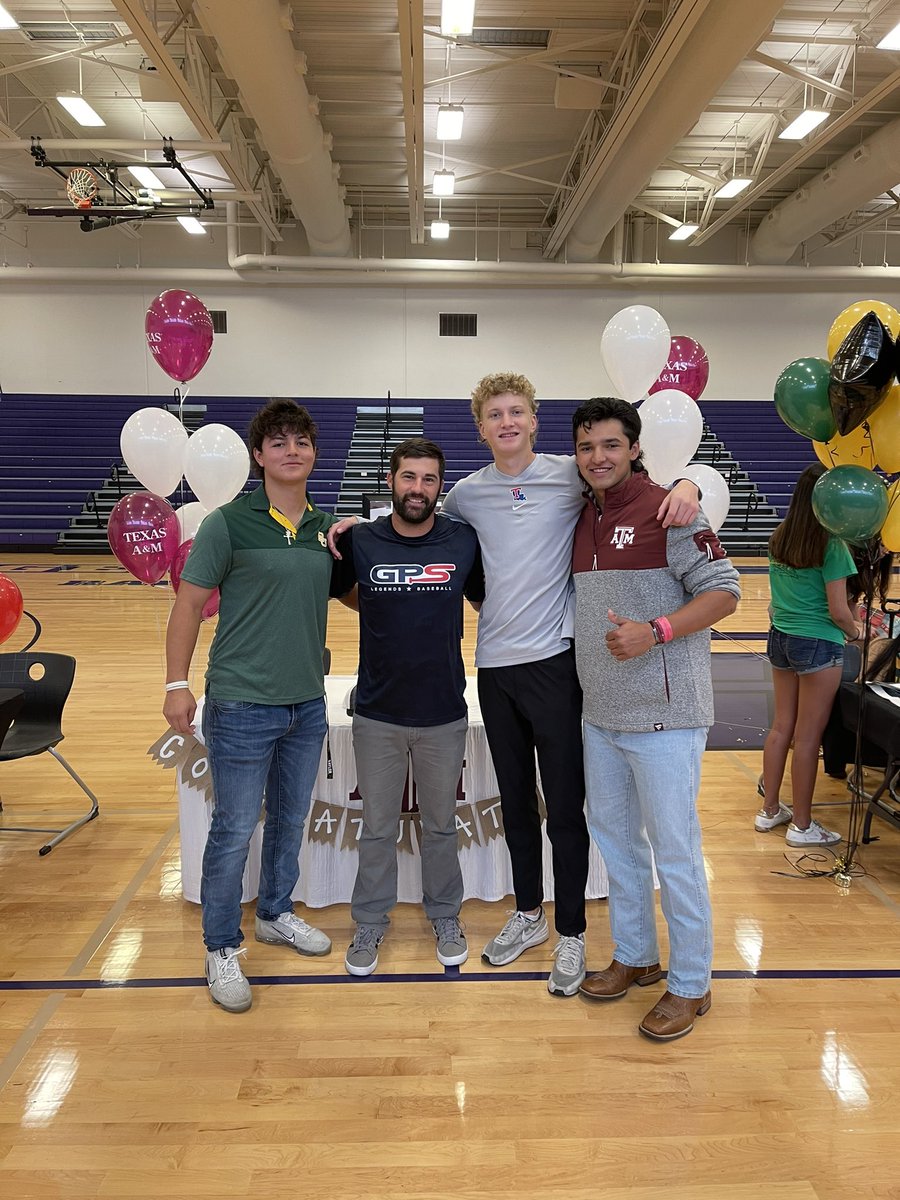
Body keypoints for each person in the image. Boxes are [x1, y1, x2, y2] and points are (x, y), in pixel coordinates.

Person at [438, 373, 701, 997]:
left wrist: (688, 483)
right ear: (481, 428)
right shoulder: (466, 495)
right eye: (494, 414)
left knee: (565, 808)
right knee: (516, 804)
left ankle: (574, 933)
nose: (506, 422)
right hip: (494, 668)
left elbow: (637, 476)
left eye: (517, 412)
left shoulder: (571, 476)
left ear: (535, 422)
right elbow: (416, 522)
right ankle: (528, 915)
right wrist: (345, 530)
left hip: (558, 665)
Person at [569, 397, 740, 1041]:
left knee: (676, 853)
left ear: (635, 448)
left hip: (667, 717)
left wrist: (657, 629)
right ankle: (637, 954)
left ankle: (692, 984)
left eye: (612, 445)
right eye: (587, 447)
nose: (598, 458)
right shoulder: (582, 514)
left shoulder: (670, 509)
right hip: (600, 714)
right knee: (617, 847)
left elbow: (726, 590)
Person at [164, 399, 339, 1013]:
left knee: (291, 819)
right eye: (279, 442)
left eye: (302, 441)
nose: (292, 450)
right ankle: (220, 946)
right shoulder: (227, 524)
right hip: (240, 702)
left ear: (313, 453)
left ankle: (275, 912)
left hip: (306, 705)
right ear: (259, 455)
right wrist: (175, 684)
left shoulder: (324, 525)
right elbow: (188, 605)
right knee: (235, 828)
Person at [330, 438, 483, 975]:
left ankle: (445, 913)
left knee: (441, 825)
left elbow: (488, 599)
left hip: (443, 713)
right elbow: (340, 590)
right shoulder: (361, 541)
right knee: (377, 828)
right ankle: (370, 923)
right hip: (377, 713)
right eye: (408, 477)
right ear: (390, 481)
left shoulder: (464, 542)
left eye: (428, 480)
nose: (417, 489)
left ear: (440, 487)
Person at [757, 462, 861, 847]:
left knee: (781, 726)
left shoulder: (780, 536)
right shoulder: (833, 545)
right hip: (818, 642)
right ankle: (802, 825)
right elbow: (838, 611)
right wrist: (856, 633)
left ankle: (769, 810)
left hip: (780, 638)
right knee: (807, 736)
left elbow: (774, 604)